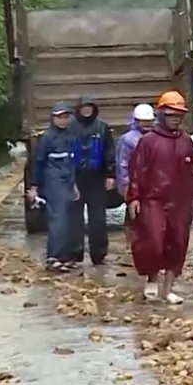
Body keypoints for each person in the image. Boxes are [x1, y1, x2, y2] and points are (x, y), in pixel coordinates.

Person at [126, 91, 193, 303]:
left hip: (180, 201)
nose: (175, 119)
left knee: (178, 243)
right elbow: (137, 171)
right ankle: (152, 278)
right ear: (161, 114)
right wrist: (134, 197)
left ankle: (169, 288)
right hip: (153, 199)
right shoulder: (148, 141)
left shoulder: (186, 141)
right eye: (171, 114)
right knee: (154, 241)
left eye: (178, 115)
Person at [26, 102, 81, 272]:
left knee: (70, 220)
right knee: (58, 219)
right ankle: (53, 257)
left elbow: (73, 162)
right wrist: (34, 186)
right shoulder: (48, 137)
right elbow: (38, 162)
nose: (63, 120)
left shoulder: (71, 136)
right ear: (53, 118)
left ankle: (66, 257)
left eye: (65, 117)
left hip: (67, 182)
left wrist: (74, 185)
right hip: (53, 182)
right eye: (59, 117)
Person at [72, 96, 116, 266]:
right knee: (75, 219)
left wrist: (111, 175)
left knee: (98, 219)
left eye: (90, 107)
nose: (87, 110)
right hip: (75, 179)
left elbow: (109, 152)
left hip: (96, 179)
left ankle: (99, 254)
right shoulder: (70, 127)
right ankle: (75, 253)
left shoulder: (102, 127)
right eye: (84, 107)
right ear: (78, 109)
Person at [115, 103, 156, 247]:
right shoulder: (128, 139)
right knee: (133, 214)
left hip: (154, 184)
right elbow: (122, 164)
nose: (146, 124)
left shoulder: (156, 137)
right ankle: (130, 245)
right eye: (143, 121)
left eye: (149, 121)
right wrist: (125, 184)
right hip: (135, 183)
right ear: (136, 121)